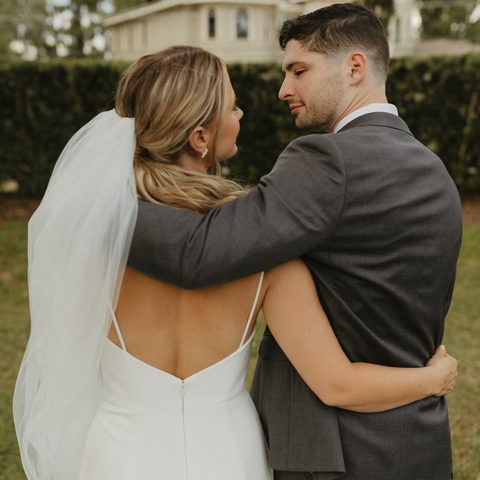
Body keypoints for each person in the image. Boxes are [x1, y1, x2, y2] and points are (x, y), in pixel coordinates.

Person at [13, 45, 457, 480]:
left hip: (118, 453)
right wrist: (431, 380)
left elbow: (62, 365)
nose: (241, 115)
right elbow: (336, 383)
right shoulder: (268, 260)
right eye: (234, 106)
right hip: (228, 455)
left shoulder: (93, 240)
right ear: (200, 137)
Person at [125, 5, 464, 480]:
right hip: (416, 440)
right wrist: (431, 380)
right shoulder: (435, 173)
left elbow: (197, 251)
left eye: (298, 70)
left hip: (330, 453)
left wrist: (101, 206)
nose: (284, 89)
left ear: (354, 67)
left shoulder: (327, 160)